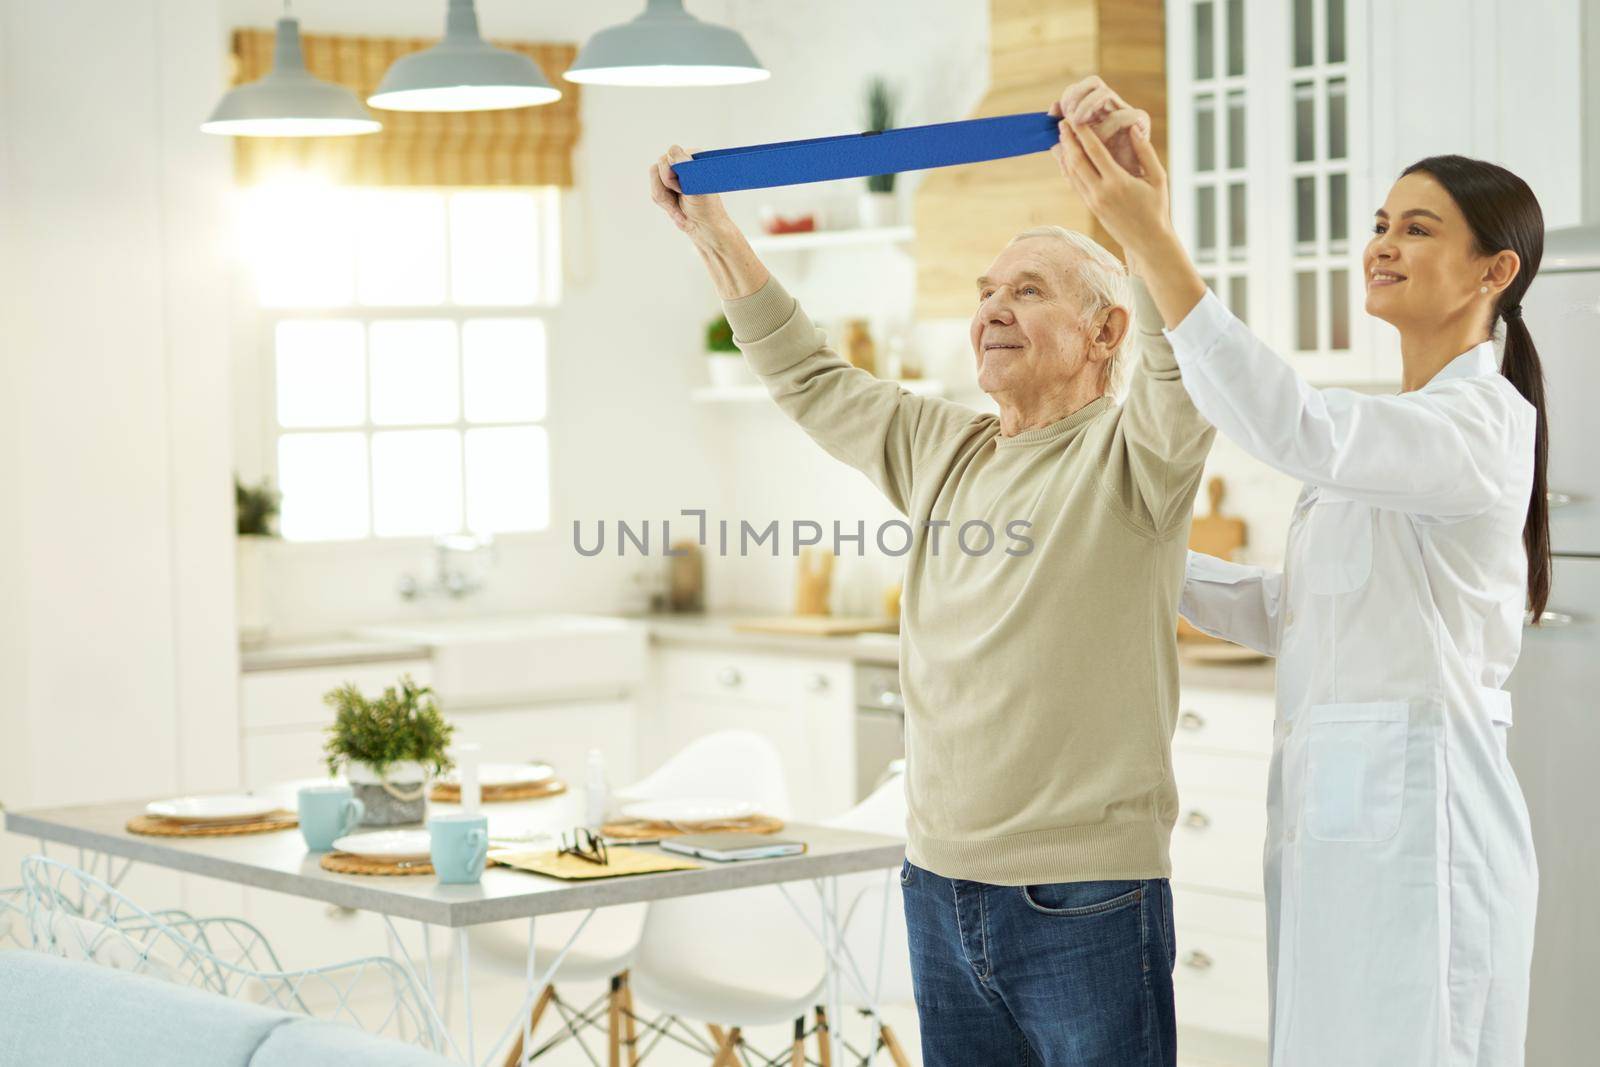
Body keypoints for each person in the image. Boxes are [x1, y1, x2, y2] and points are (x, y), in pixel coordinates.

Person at [649, 97, 1211, 1065]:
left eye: (1028, 291)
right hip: (940, 886)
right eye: (987, 291)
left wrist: (1142, 209)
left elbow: (1184, 360)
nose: (992, 307)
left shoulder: (1135, 458)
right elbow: (810, 376)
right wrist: (715, 233)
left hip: (1085, 895)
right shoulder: (941, 446)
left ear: (1106, 330)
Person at [1055, 76, 1545, 1066]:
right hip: (1347, 824)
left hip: (1426, 836)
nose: (1382, 244)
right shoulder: (1394, 426)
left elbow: (1286, 421)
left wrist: (1149, 237)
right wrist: (1124, 550)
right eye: (1379, 223)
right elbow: (1291, 610)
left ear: (1493, 270)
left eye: (1416, 228)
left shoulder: (1474, 425)